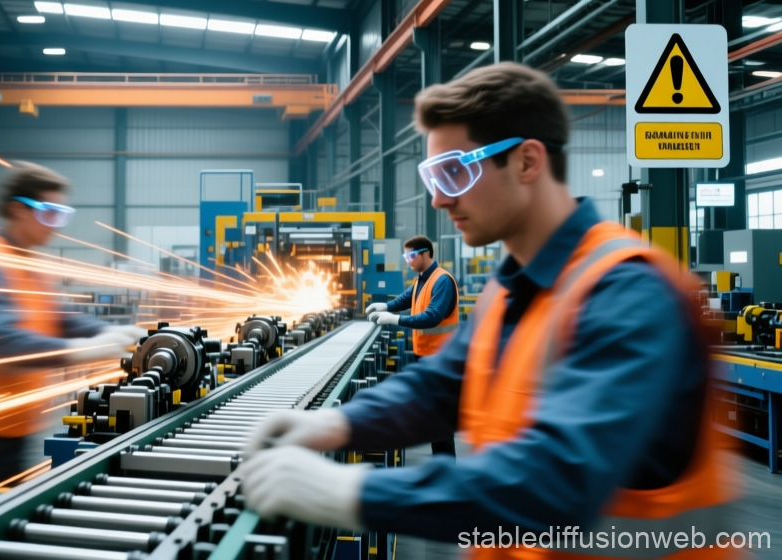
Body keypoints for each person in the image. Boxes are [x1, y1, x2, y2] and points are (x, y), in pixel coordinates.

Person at [241, 63, 735, 557]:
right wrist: (336, 425)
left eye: (454, 170)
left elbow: (554, 481)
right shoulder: (512, 288)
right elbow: (441, 387)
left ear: (526, 162)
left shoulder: (631, 294)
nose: (438, 198)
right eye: (431, 175)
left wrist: (350, 493)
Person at [0, 162, 145, 484]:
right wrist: (81, 350)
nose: (56, 225)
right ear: (18, 209)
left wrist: (112, 332)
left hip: (11, 424)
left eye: (62, 214)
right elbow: (4, 341)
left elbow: (60, 317)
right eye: (49, 213)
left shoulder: (29, 264)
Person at [365, 234, 459, 455]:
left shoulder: (442, 280)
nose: (408, 260)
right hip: (426, 358)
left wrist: (395, 319)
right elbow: (405, 299)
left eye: (412, 256)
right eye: (405, 256)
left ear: (426, 254)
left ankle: (445, 472)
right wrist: (384, 306)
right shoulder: (421, 279)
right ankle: (441, 467)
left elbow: (431, 317)